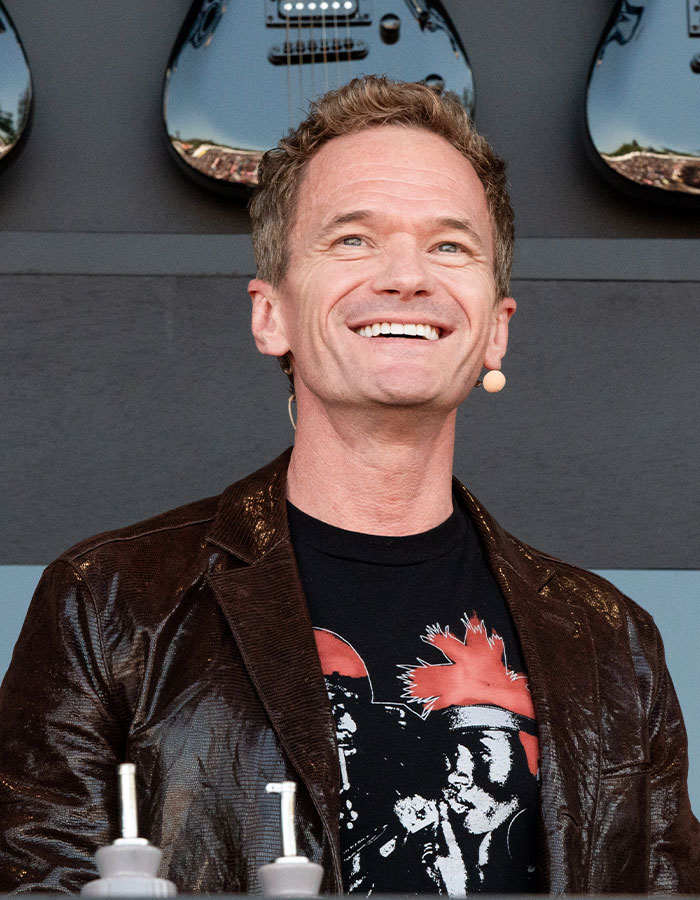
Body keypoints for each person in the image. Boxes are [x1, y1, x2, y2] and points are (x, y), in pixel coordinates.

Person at [0, 75, 698, 895]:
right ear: (272, 316)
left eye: (449, 246)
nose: (406, 277)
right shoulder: (106, 603)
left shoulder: (614, 642)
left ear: (495, 330)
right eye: (354, 239)